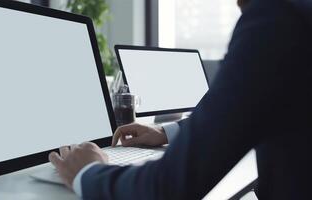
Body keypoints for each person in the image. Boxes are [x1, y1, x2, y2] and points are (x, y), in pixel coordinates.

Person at [49, 0, 312, 199]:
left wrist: (88, 173)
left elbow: (168, 186)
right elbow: (243, 110)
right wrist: (168, 131)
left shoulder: (279, 19)